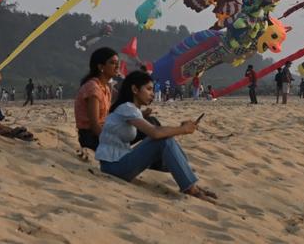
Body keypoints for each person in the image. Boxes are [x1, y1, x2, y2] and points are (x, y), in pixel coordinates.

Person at [96, 71, 216, 201]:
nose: (152, 94)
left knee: (165, 139)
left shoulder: (130, 109)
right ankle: (190, 188)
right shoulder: (126, 108)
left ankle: (191, 184)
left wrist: (180, 128)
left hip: (119, 162)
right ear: (135, 89)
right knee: (163, 140)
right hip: (115, 167)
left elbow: (156, 130)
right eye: (148, 89)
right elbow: (155, 132)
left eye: (152, 90)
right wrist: (183, 129)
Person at [75, 48, 119, 153]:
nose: (117, 67)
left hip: (103, 132)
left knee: (149, 123)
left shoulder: (106, 87)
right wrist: (113, 142)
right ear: (101, 67)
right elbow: (95, 125)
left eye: (118, 63)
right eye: (113, 63)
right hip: (91, 138)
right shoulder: (93, 88)